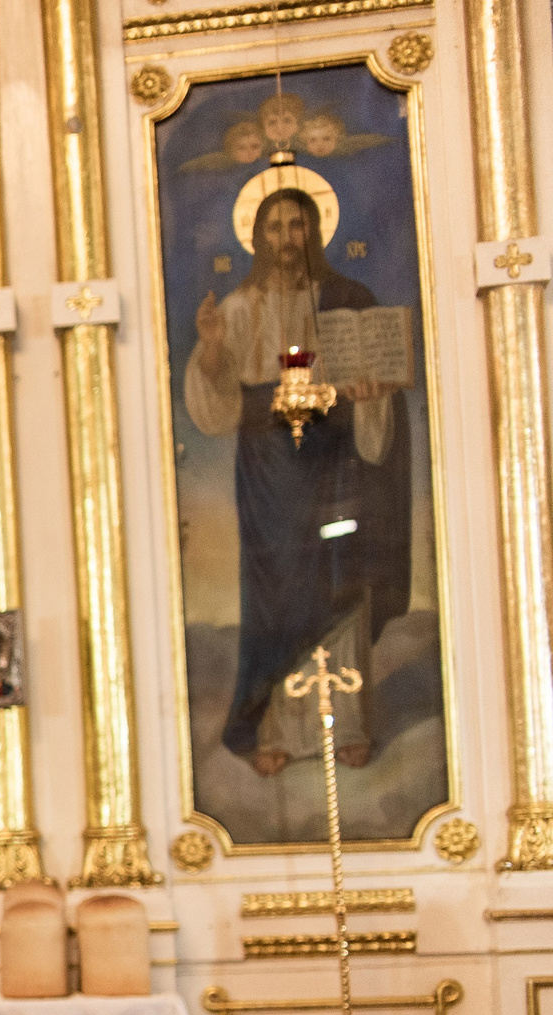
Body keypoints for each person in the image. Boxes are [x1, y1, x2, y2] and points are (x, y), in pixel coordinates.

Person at [183, 186, 408, 773]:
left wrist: (369, 396)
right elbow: (217, 404)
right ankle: (274, 728)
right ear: (258, 237)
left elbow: (372, 378)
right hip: (267, 471)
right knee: (276, 589)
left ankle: (348, 723)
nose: (287, 239)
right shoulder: (237, 308)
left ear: (315, 231)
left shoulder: (344, 299)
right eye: (275, 227)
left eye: (297, 225)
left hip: (332, 459)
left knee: (339, 576)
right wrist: (210, 350)